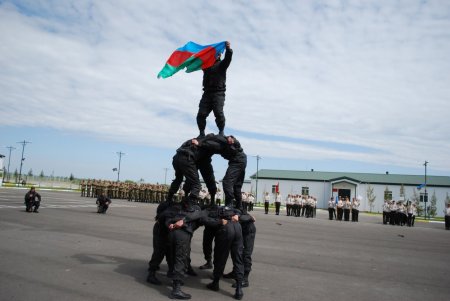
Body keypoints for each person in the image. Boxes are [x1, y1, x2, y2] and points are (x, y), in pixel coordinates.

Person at [197, 41, 233, 138]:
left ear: (219, 55)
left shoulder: (222, 65)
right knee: (201, 114)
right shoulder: (206, 66)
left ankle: (221, 132)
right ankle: (201, 133)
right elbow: (199, 60)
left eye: (217, 54)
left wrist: (228, 49)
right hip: (207, 93)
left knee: (218, 113)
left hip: (218, 93)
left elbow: (228, 59)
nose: (216, 56)